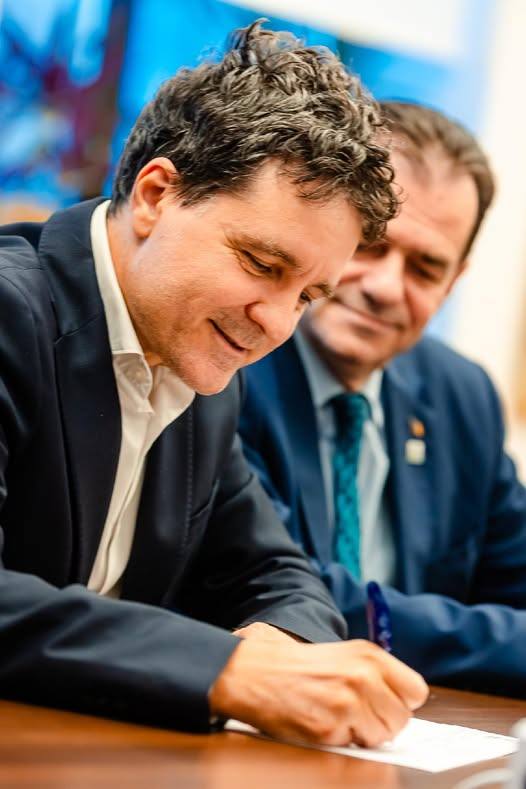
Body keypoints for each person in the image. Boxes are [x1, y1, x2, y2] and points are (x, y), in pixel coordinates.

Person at [0, 24, 427, 747]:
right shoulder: (12, 313)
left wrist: (282, 648)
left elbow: (276, 573)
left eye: (307, 296)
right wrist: (226, 669)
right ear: (155, 195)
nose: (276, 324)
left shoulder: (202, 367)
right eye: (262, 264)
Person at [240, 100, 526, 698]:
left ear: (454, 281)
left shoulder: (462, 396)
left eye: (426, 268)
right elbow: (281, 591)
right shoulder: (231, 361)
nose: (387, 288)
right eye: (370, 244)